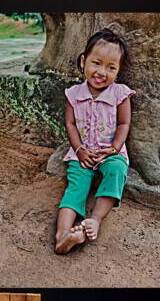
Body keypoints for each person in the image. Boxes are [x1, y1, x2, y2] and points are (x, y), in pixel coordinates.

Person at [54, 29, 135, 254]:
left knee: (117, 171)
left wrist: (114, 148)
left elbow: (123, 124)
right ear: (83, 61)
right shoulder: (74, 94)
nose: (102, 72)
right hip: (82, 152)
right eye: (96, 63)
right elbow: (70, 124)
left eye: (111, 67)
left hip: (110, 152)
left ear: (118, 71)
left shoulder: (120, 94)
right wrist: (79, 150)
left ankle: (95, 220)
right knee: (76, 186)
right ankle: (63, 235)